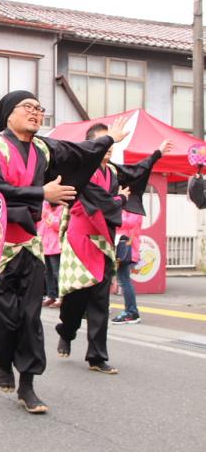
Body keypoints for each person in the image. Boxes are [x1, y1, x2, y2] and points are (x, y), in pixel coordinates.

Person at [0, 91, 129, 414]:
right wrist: (40, 192)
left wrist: (107, 140)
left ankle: (28, 385)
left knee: (30, 318)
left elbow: (78, 152)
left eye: (39, 108)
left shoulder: (43, 149)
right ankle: (2, 361)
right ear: (8, 114)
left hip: (30, 246)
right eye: (28, 107)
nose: (35, 113)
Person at [56, 124, 171, 373]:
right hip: (81, 240)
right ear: (92, 146)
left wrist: (157, 154)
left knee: (100, 299)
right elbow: (101, 200)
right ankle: (66, 331)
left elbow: (136, 171)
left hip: (104, 239)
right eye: (103, 142)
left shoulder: (113, 171)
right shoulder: (82, 170)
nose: (108, 148)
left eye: (110, 143)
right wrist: (121, 198)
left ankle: (96, 357)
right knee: (77, 295)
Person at [111, 209, 143, 324]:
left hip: (127, 250)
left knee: (124, 280)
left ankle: (131, 312)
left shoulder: (134, 209)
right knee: (122, 280)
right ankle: (131, 311)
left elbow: (127, 223)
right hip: (122, 249)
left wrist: (113, 216)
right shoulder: (127, 208)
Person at [38, 201, 63, 309]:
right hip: (44, 244)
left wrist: (48, 214)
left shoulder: (62, 207)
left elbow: (58, 225)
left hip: (56, 246)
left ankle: (61, 297)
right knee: (47, 273)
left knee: (57, 273)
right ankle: (51, 295)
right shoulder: (44, 205)